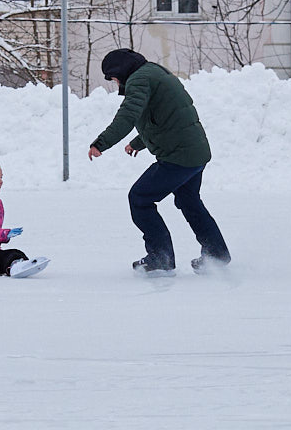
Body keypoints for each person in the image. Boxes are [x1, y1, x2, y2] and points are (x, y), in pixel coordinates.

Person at [87, 48, 230, 277]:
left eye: (113, 78)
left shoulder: (138, 81)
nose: (114, 83)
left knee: (140, 198)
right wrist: (138, 142)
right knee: (189, 200)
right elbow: (163, 116)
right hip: (194, 152)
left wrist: (101, 143)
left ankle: (160, 257)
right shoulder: (153, 73)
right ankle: (216, 254)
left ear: (121, 72)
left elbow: (128, 115)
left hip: (178, 156)